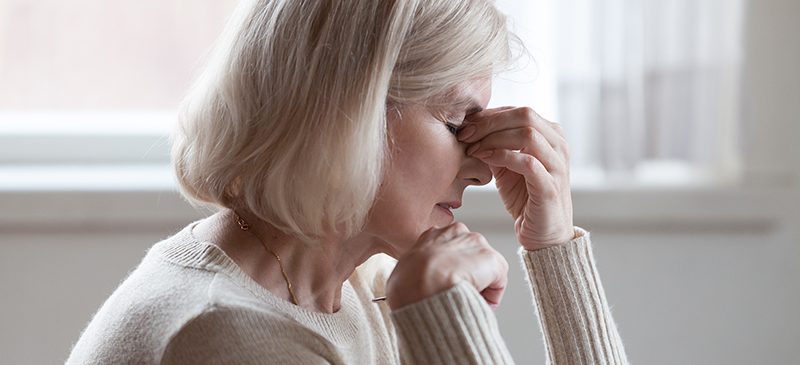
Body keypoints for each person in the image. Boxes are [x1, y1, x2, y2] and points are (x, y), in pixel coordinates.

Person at [67, 0, 628, 364]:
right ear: (349, 115)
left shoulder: (360, 284)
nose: (482, 168)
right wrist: (443, 321)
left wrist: (553, 249)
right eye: (457, 122)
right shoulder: (226, 337)